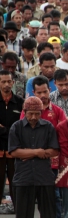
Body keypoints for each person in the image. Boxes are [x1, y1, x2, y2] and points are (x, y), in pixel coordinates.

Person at [9, 97, 60, 218]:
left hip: (44, 177)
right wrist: (38, 152)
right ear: (24, 112)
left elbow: (54, 150)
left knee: (49, 215)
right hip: (23, 178)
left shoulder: (48, 127)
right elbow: (14, 152)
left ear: (41, 113)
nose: (33, 117)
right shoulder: (16, 127)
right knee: (23, 216)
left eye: (37, 114)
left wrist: (29, 153)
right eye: (30, 114)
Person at [0, 70, 24, 209]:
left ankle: (20, 214)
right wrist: (10, 130)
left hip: (15, 150)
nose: (6, 84)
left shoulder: (20, 102)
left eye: (9, 81)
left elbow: (20, 128)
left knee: (16, 183)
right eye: (3, 81)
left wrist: (3, 129)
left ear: (13, 83)